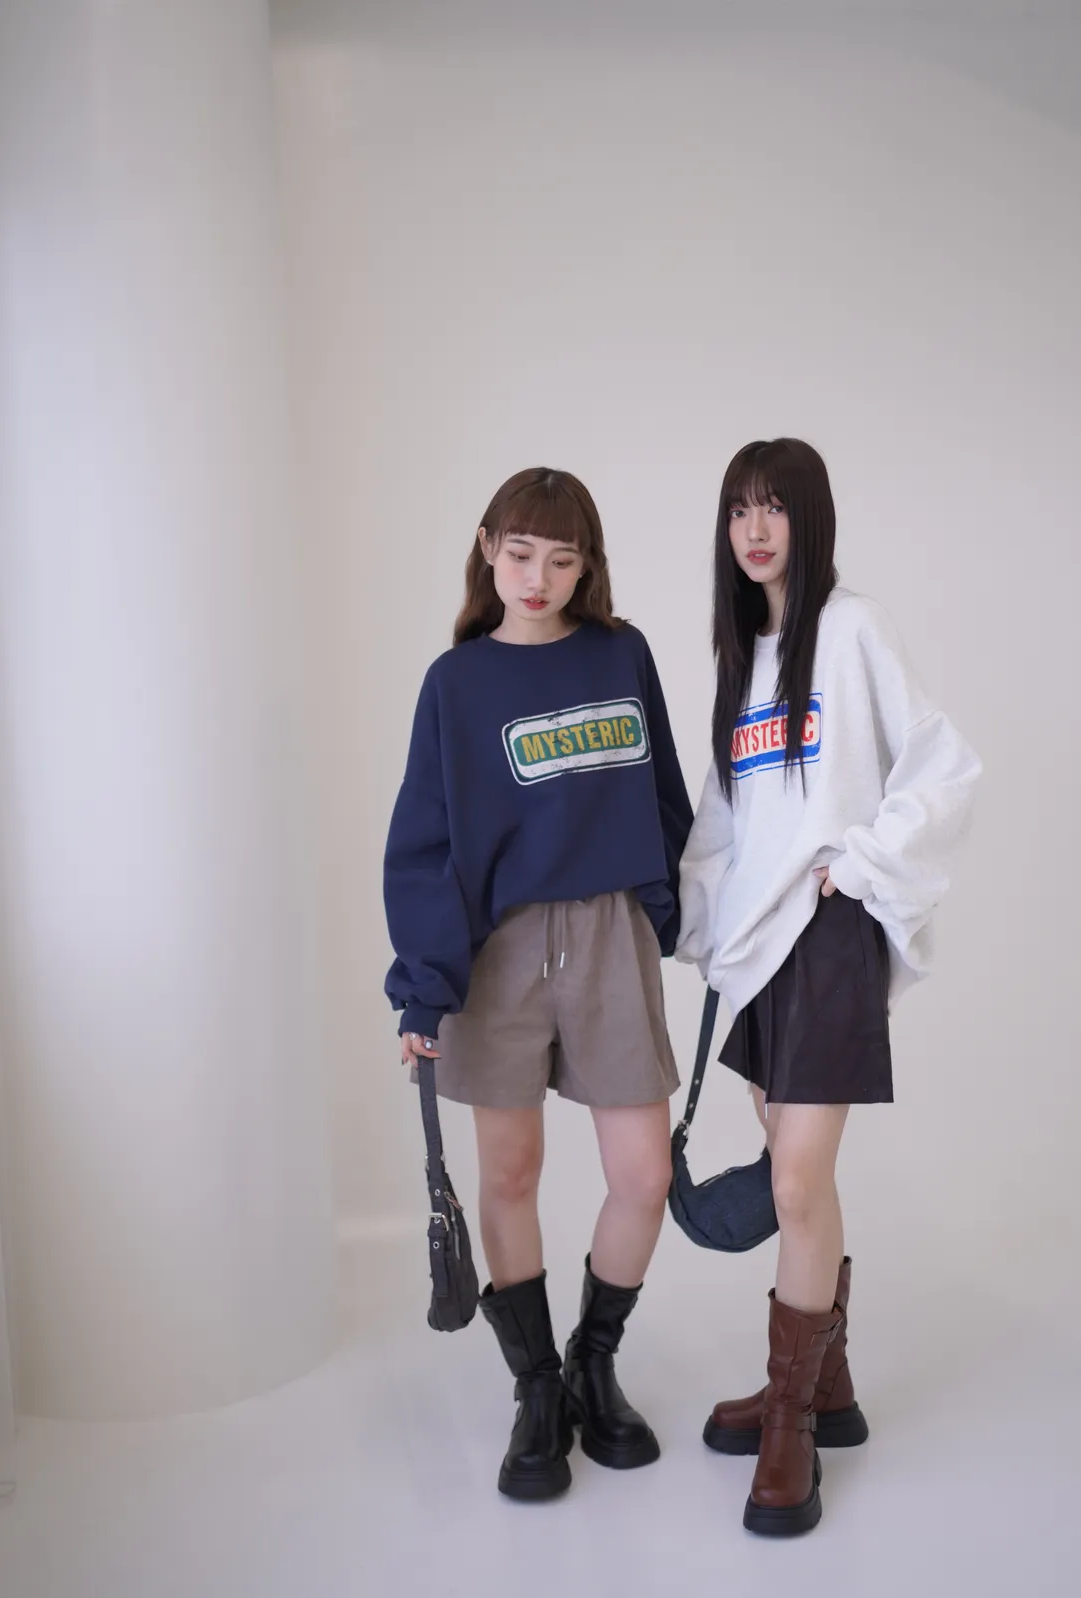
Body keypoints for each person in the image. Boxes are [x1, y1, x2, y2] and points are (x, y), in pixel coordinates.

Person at [676, 438, 980, 1537]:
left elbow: (943, 763)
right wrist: (702, 930)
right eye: (738, 510)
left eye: (775, 507)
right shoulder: (740, 658)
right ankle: (826, 1385)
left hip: (825, 935)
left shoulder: (851, 630)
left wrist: (858, 865)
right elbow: (725, 822)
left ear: (809, 517)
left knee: (797, 1182)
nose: (755, 529)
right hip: (762, 948)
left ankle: (790, 1421)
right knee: (797, 1176)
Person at [383, 467, 692, 1502]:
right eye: (520, 553)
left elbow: (664, 794)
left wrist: (673, 913)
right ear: (487, 547)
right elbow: (426, 842)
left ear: (587, 566)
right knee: (509, 1173)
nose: (538, 577)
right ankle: (537, 1390)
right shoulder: (456, 683)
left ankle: (594, 1362)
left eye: (562, 559)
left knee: (643, 1172)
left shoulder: (621, 653)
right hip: (499, 948)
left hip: (609, 933)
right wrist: (424, 986)